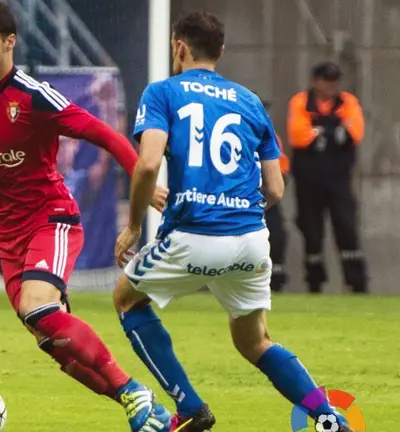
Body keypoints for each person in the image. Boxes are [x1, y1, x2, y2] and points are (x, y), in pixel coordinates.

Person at [0, 1, 171, 431]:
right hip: (7, 236)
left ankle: (131, 389)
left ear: (10, 42)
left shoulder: (33, 96)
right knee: (50, 339)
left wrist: (142, 178)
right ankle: (138, 402)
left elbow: (104, 134)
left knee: (37, 307)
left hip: (52, 218)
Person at [112, 11, 352, 432]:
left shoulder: (162, 92)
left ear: (178, 47)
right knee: (255, 341)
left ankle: (189, 407)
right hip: (250, 239)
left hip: (193, 234)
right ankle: (329, 417)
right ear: (220, 50)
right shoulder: (249, 101)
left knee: (127, 299)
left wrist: (133, 225)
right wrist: (236, 211)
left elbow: (148, 164)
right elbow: (275, 188)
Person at [287, 61, 367, 294]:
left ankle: (357, 283)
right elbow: (298, 136)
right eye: (326, 80)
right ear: (316, 81)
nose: (331, 86)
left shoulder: (347, 102)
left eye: (335, 81)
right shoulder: (301, 102)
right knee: (311, 232)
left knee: (346, 228)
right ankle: (314, 283)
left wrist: (319, 133)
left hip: (339, 180)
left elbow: (355, 132)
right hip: (308, 180)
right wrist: (335, 132)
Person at [260, 99, 291, 293]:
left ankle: (274, 281)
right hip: (238, 196)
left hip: (263, 195)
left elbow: (282, 169)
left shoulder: (270, 136)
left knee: (277, 235)